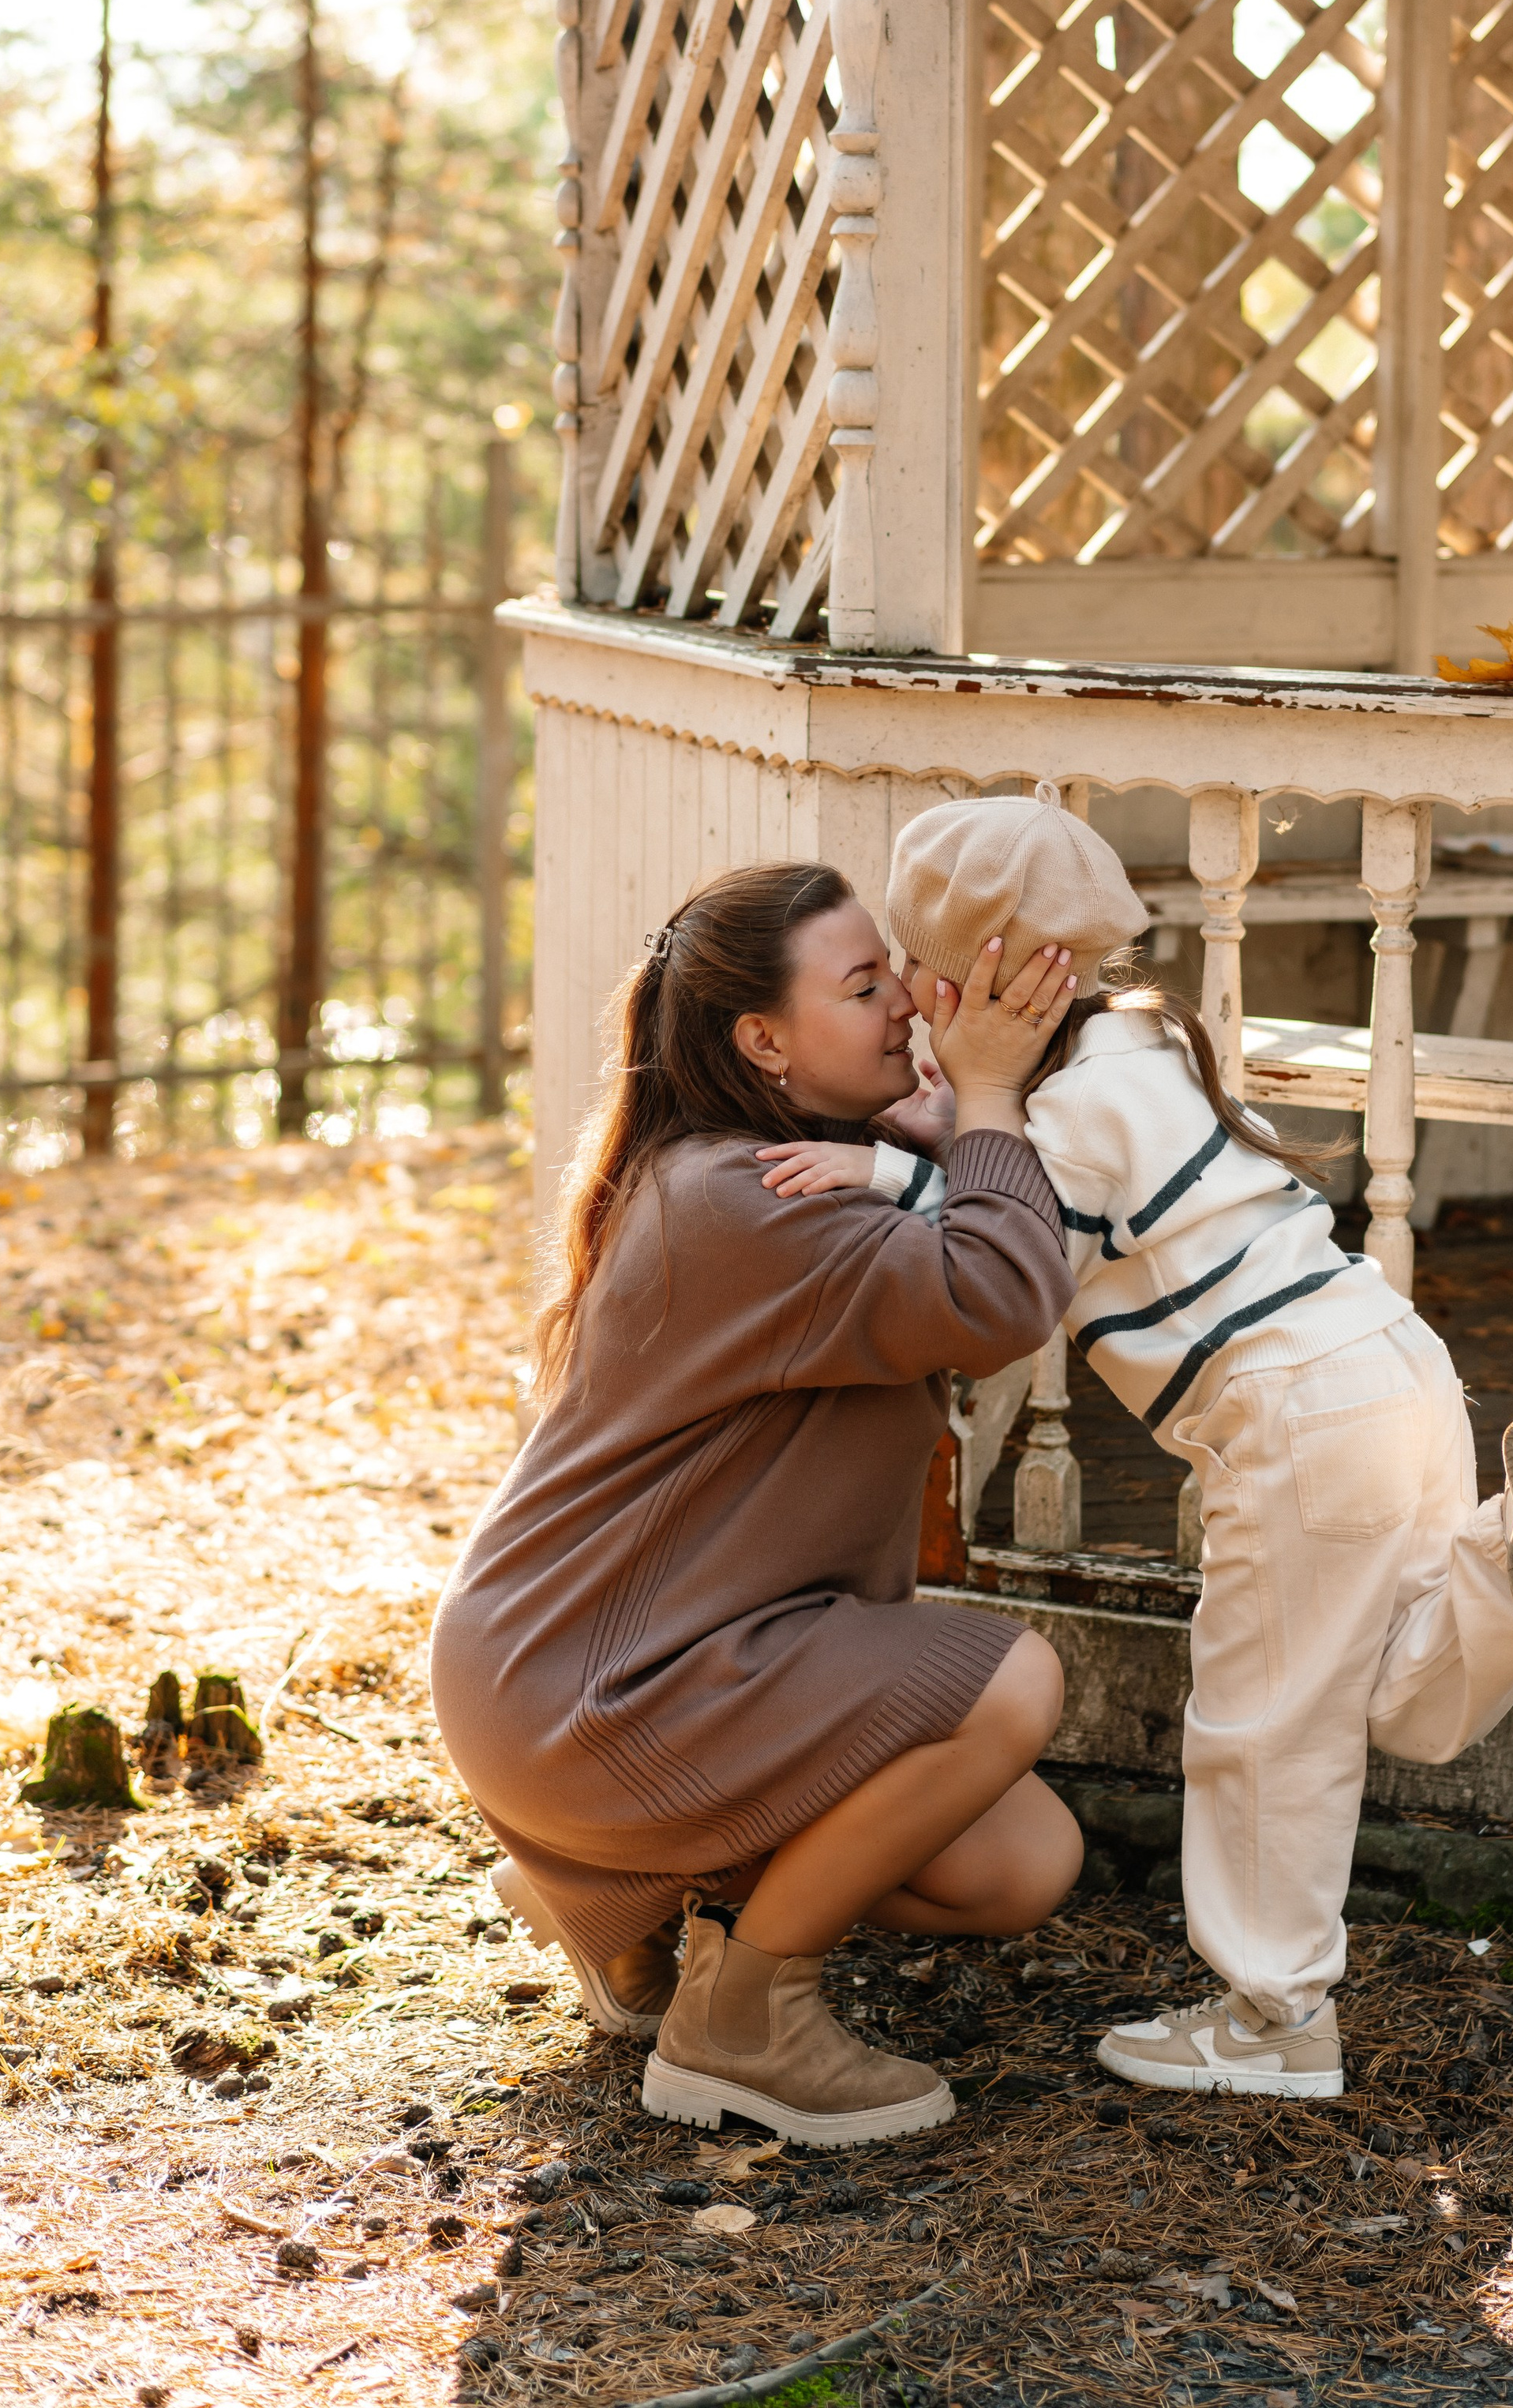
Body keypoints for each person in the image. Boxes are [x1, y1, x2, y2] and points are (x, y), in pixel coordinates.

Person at [757, 786, 1513, 2102]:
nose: (908, 1010)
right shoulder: (1137, 1053)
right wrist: (945, 1117)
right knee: (1386, 1693)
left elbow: (1011, 1230)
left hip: (1293, 1414)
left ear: (978, 979)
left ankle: (1275, 2017)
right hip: (1391, 1362)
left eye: (916, 977)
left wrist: (879, 1174)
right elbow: (1023, 1157)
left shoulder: (1074, 1114)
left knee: (1264, 1720)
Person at [429, 861, 1084, 2148]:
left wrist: (943, 1142)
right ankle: (744, 2018)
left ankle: (612, 1887)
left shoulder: (774, 1166)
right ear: (763, 1041)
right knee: (1013, 1686)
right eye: (863, 985)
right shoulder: (753, 1203)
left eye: (892, 968)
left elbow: (958, 1239)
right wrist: (995, 1097)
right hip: (588, 1689)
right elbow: (1002, 1296)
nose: (907, 1001)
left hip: (598, 1677)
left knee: (1018, 1862)